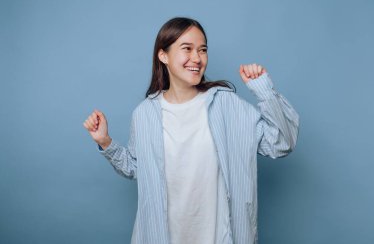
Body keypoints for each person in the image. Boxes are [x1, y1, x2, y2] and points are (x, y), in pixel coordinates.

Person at [83, 17, 299, 244]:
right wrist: (106, 142)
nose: (197, 58)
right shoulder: (144, 114)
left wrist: (263, 90)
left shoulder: (226, 104)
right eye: (187, 49)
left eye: (202, 50)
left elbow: (281, 143)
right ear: (163, 55)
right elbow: (137, 169)